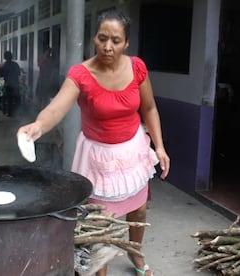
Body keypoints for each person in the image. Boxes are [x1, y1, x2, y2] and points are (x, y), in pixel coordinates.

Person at [17, 9, 170, 276]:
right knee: (100, 222)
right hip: (97, 157)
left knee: (139, 209)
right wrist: (38, 125)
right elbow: (57, 108)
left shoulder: (137, 68)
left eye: (115, 40)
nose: (108, 46)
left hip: (132, 150)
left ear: (126, 43)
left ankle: (136, 254)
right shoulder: (82, 74)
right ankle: (99, 270)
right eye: (102, 38)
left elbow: (149, 109)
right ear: (93, 39)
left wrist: (159, 147)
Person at [0, 51, 21, 116]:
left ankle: (6, 111)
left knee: (6, 98)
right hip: (15, 84)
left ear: (5, 57)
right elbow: (18, 73)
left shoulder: (3, 65)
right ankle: (17, 111)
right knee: (17, 98)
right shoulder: (16, 64)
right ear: (11, 57)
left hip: (7, 84)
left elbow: (1, 75)